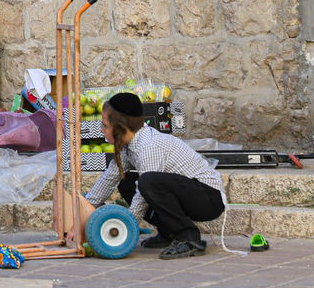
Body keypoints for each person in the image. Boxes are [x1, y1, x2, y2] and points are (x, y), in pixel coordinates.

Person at [84, 91, 225, 259]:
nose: (102, 130)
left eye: (105, 126)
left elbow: (143, 195)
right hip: (187, 191)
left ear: (120, 127)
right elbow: (108, 179)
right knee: (126, 182)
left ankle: (189, 237)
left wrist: (126, 228)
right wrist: (85, 208)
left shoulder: (148, 146)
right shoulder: (127, 145)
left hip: (208, 197)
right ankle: (169, 232)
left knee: (148, 182)